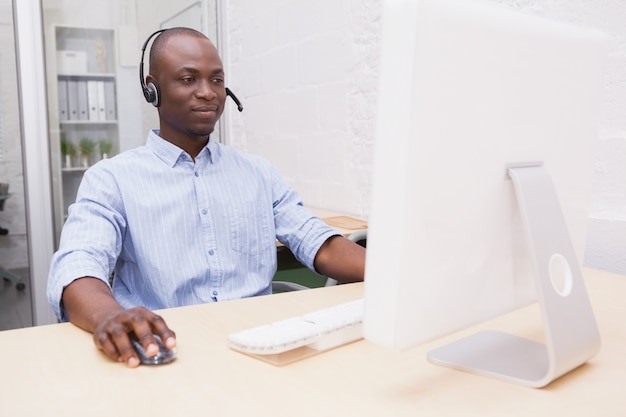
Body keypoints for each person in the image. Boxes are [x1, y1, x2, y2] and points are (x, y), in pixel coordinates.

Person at [46, 27, 366, 368]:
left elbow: (319, 243)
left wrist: (400, 279)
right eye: (188, 79)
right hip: (167, 348)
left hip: (256, 347)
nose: (207, 93)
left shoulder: (258, 173)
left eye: (216, 80)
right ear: (152, 90)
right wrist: (108, 315)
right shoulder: (112, 179)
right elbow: (79, 264)